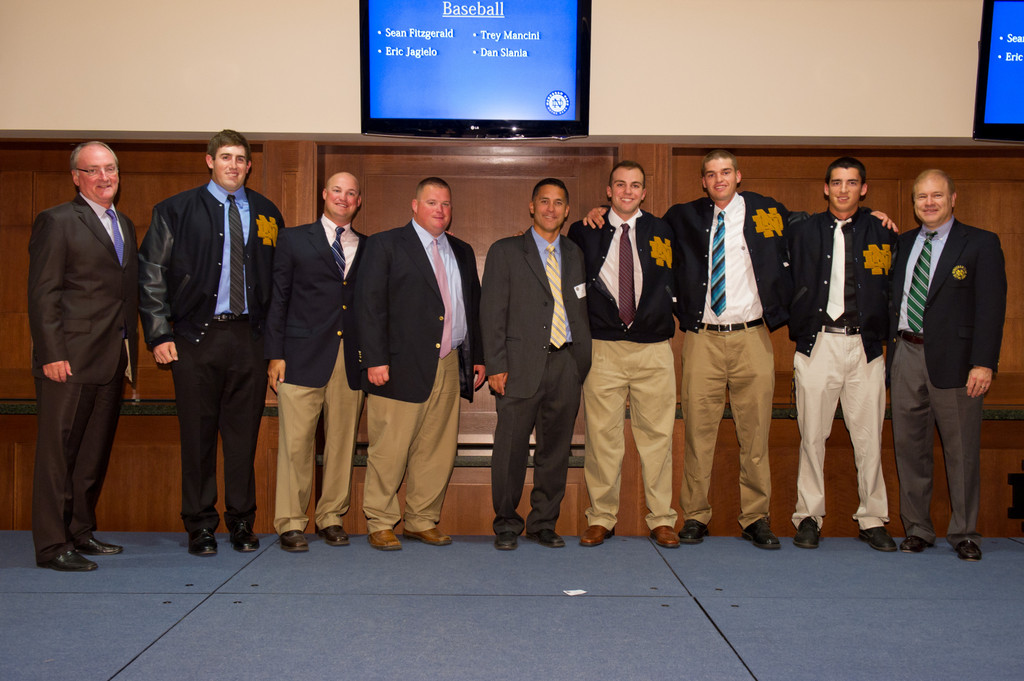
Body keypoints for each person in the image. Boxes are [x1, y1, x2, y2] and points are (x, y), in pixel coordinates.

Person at [586, 150, 791, 549]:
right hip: (701, 338)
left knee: (755, 434)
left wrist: (874, 221)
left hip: (752, 335)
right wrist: (598, 210)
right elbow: (628, 219)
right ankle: (695, 515)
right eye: (711, 174)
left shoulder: (768, 211)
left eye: (726, 172)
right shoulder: (682, 218)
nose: (719, 180)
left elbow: (815, 227)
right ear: (702, 181)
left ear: (738, 175)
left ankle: (756, 517)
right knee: (698, 433)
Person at [139, 130, 284, 556]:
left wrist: (275, 348)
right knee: (198, 437)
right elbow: (151, 273)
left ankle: (241, 521)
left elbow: (277, 285)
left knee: (243, 439)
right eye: (225, 157)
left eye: (241, 159)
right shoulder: (175, 210)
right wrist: (159, 332)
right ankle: (200, 525)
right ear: (209, 161)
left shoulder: (267, 213)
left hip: (249, 340)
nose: (234, 165)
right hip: (193, 339)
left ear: (249, 165)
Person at [355, 177, 485, 551]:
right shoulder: (385, 244)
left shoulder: (460, 249)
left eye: (445, 204)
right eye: (432, 203)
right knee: (390, 448)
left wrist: (477, 358)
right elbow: (370, 306)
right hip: (397, 365)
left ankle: (421, 520)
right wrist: (375, 360)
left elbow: (470, 309)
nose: (440, 210)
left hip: (448, 364)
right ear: (414, 205)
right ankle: (380, 521)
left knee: (437, 449)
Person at [28, 141, 138, 571]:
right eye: (93, 170)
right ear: (76, 177)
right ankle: (52, 546)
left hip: (111, 359)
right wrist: (51, 353)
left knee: (91, 455)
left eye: (110, 168)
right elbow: (43, 294)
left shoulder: (123, 223)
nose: (104, 177)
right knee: (58, 457)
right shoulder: (56, 221)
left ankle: (79, 532)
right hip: (67, 363)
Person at [889, 169, 1006, 561]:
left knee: (961, 451)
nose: (929, 203)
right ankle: (918, 529)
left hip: (958, 364)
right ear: (914, 202)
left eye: (937, 195)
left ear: (953, 198)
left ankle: (965, 533)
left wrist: (983, 363)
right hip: (906, 355)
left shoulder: (981, 244)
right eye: (922, 196)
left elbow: (991, 309)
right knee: (910, 449)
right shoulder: (902, 244)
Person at [786, 157, 897, 551]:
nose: (843, 189)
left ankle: (872, 518)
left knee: (869, 438)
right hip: (818, 345)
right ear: (826, 188)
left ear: (863, 189)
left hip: (865, 347)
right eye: (836, 182)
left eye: (852, 183)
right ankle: (809, 516)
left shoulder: (883, 232)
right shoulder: (802, 230)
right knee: (811, 436)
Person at [567, 161, 679, 549]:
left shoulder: (664, 229)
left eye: (635, 185)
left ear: (644, 192)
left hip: (654, 350)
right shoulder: (585, 230)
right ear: (609, 190)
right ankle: (600, 518)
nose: (628, 191)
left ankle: (662, 519)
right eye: (620, 184)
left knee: (658, 437)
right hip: (604, 349)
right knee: (602, 437)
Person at [482, 178, 591, 550]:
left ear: (567, 211)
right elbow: (491, 312)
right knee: (510, 449)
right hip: (517, 367)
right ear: (532, 206)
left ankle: (543, 522)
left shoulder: (575, 253)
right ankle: (507, 524)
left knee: (555, 450)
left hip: (565, 365)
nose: (551, 208)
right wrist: (495, 364)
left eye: (559, 202)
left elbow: (579, 307)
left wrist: (580, 364)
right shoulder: (506, 250)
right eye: (544, 201)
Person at [265, 172, 366, 552]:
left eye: (351, 193)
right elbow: (278, 299)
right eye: (337, 191)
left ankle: (331, 517)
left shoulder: (368, 246)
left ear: (358, 202)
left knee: (342, 443)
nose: (343, 198)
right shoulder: (292, 239)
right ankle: (291, 521)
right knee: (296, 444)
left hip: (348, 360)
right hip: (299, 357)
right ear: (324, 195)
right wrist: (275, 354)